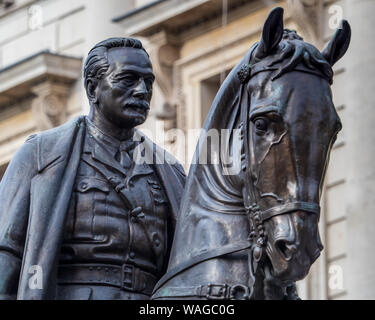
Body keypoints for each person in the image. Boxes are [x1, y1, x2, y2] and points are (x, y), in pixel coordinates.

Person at [0, 38, 186, 300]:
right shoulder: (41, 154)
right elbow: (6, 251)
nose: (142, 91)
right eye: (127, 79)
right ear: (92, 89)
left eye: (148, 82)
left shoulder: (172, 172)